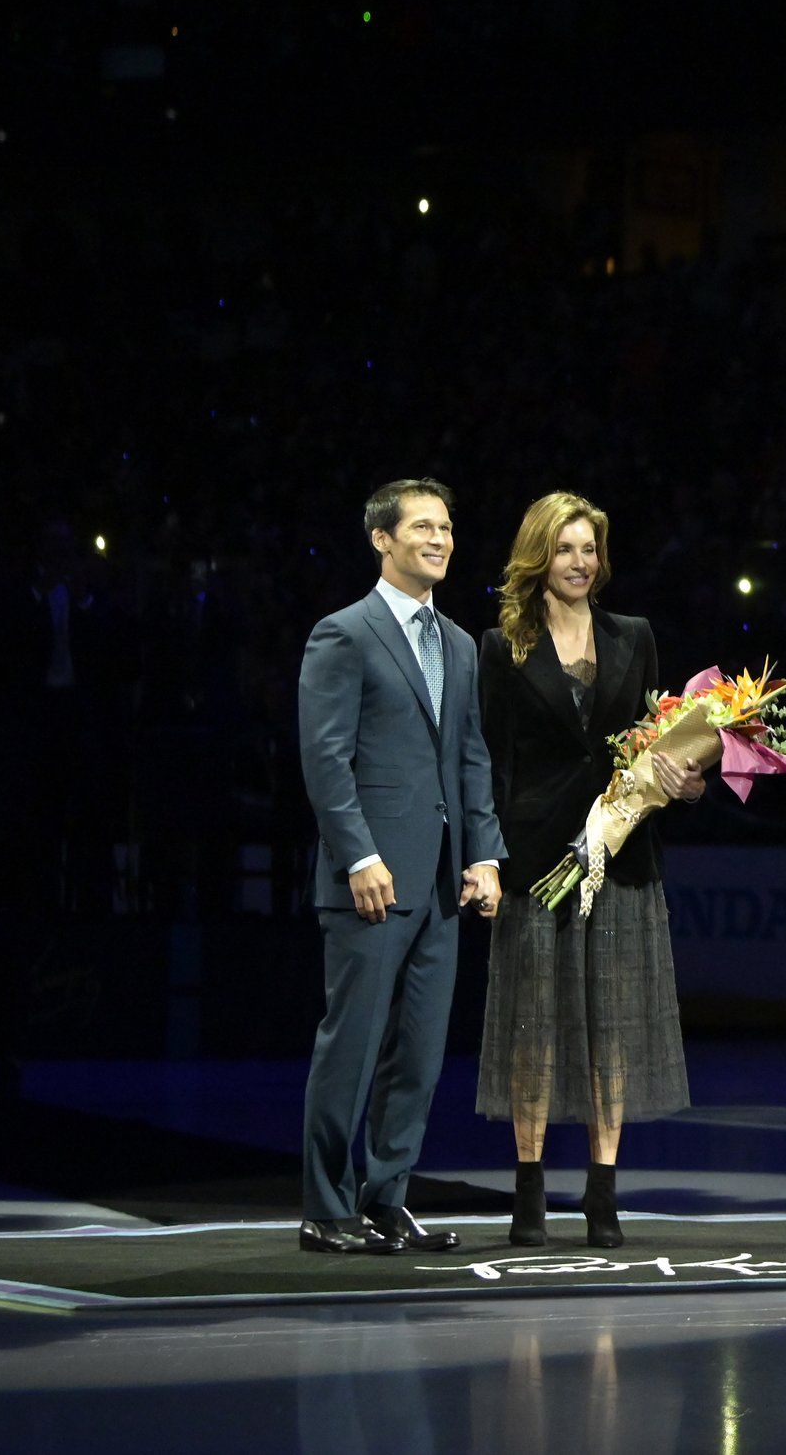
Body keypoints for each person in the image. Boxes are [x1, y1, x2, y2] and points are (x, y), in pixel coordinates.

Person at [476, 491, 700, 1248]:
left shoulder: (634, 636)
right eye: (568, 548)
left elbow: (656, 743)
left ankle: (601, 1194)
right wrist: (489, 854)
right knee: (533, 1028)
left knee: (614, 1029)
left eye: (591, 550)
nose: (582, 562)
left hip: (622, 854)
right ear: (540, 554)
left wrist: (685, 778)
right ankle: (530, 1192)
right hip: (536, 859)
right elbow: (488, 762)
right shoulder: (499, 646)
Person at [294, 479, 507, 1255]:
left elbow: (472, 757)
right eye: (422, 526)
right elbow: (325, 758)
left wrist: (483, 854)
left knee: (418, 1052)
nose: (440, 539)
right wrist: (358, 854)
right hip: (373, 879)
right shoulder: (343, 634)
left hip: (444, 883)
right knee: (351, 1046)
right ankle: (325, 1206)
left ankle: (388, 1199)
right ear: (382, 539)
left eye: (446, 527)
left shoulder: (457, 641)